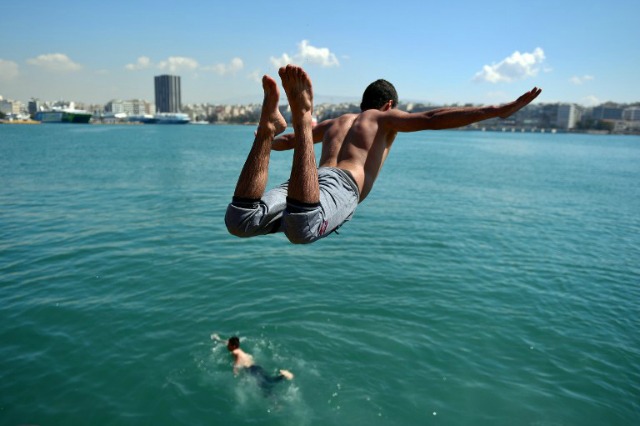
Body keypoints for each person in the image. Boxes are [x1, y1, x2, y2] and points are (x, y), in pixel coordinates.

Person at [225, 65, 542, 244]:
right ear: (389, 104)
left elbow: (289, 142)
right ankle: (300, 115)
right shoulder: (382, 118)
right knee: (302, 229)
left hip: (309, 182)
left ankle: (269, 128)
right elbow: (433, 118)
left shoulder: (336, 122)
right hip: (339, 186)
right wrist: (497, 111)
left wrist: (267, 140)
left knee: (240, 221)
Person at [213, 334, 294, 394]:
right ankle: (283, 378)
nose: (227, 346)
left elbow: (237, 359)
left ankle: (283, 376)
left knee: (265, 385)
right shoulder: (238, 349)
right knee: (267, 382)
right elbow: (226, 342)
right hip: (256, 367)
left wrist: (235, 368)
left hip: (251, 370)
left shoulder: (235, 351)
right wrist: (218, 339)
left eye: (229, 344)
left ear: (233, 346)